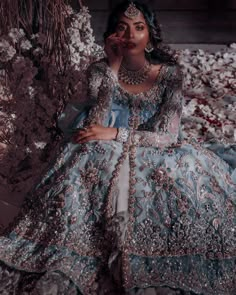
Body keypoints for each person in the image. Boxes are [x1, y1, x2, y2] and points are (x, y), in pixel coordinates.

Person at [0, 1, 236, 294]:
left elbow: (167, 136)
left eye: (139, 28)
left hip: (156, 149)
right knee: (85, 157)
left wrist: (116, 134)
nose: (130, 35)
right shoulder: (100, 70)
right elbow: (94, 124)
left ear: (150, 33)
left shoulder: (169, 74)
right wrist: (111, 68)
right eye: (122, 28)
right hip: (106, 147)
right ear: (112, 34)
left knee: (179, 177)